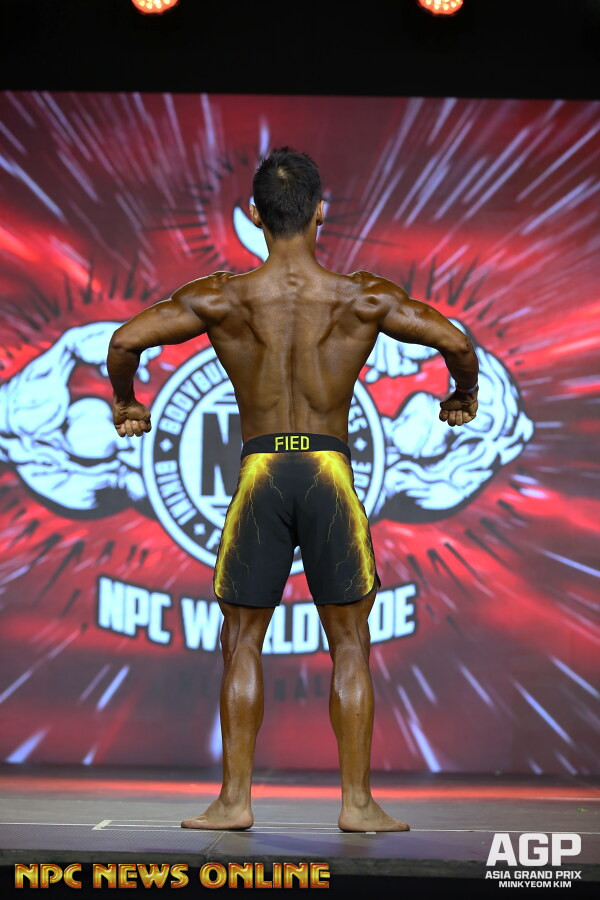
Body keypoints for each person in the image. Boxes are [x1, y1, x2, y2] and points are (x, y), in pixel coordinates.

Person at [107, 147, 479, 833]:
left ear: (254, 215)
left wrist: (128, 403)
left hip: (262, 474)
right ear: (320, 213)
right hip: (328, 473)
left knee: (242, 639)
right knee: (350, 642)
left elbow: (127, 340)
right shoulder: (361, 297)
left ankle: (234, 801)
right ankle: (357, 805)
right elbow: (455, 342)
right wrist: (463, 395)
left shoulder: (223, 297)